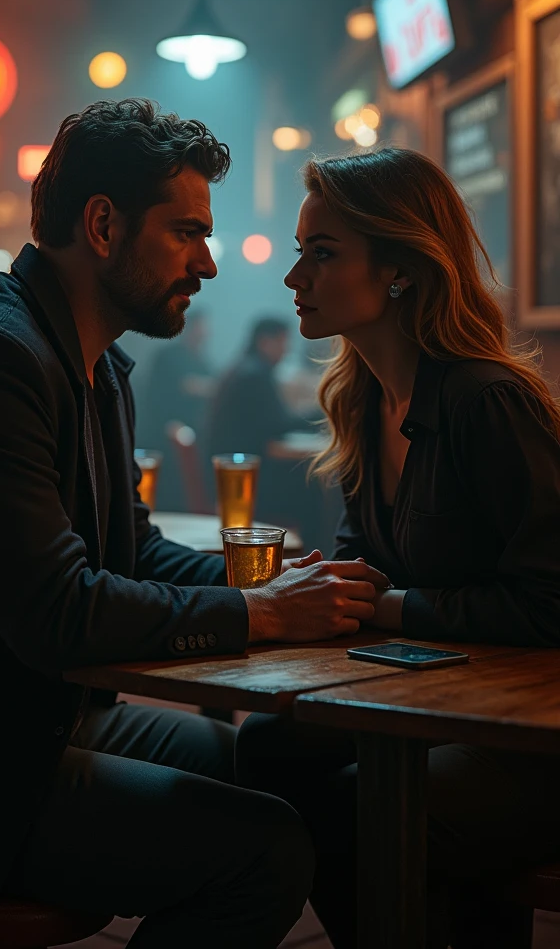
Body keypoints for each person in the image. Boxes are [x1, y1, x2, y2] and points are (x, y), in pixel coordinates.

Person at [0, 99, 390, 948]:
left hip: (40, 717)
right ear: (104, 226)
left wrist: (277, 588)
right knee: (264, 852)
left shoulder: (94, 358)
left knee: (270, 764)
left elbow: (134, 553)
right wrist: (262, 614)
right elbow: (58, 614)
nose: (210, 264)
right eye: (186, 232)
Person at [235, 147, 560, 949]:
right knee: (268, 747)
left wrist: (384, 602)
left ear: (401, 269)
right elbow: (365, 561)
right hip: (434, 708)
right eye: (299, 252)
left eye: (322, 253)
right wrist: (334, 579)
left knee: (360, 805)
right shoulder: (361, 398)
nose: (293, 278)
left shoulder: (490, 403)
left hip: (528, 738)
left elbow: (551, 602)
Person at [137, 308, 215, 509]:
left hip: (190, 433)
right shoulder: (170, 355)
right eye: (201, 326)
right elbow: (186, 386)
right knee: (169, 489)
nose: (206, 332)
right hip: (163, 433)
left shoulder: (201, 359)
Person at [206, 317, 302, 460]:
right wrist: (321, 416)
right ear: (265, 342)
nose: (286, 350)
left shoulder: (245, 367)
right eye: (282, 343)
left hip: (228, 459)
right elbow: (279, 424)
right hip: (242, 466)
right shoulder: (256, 375)